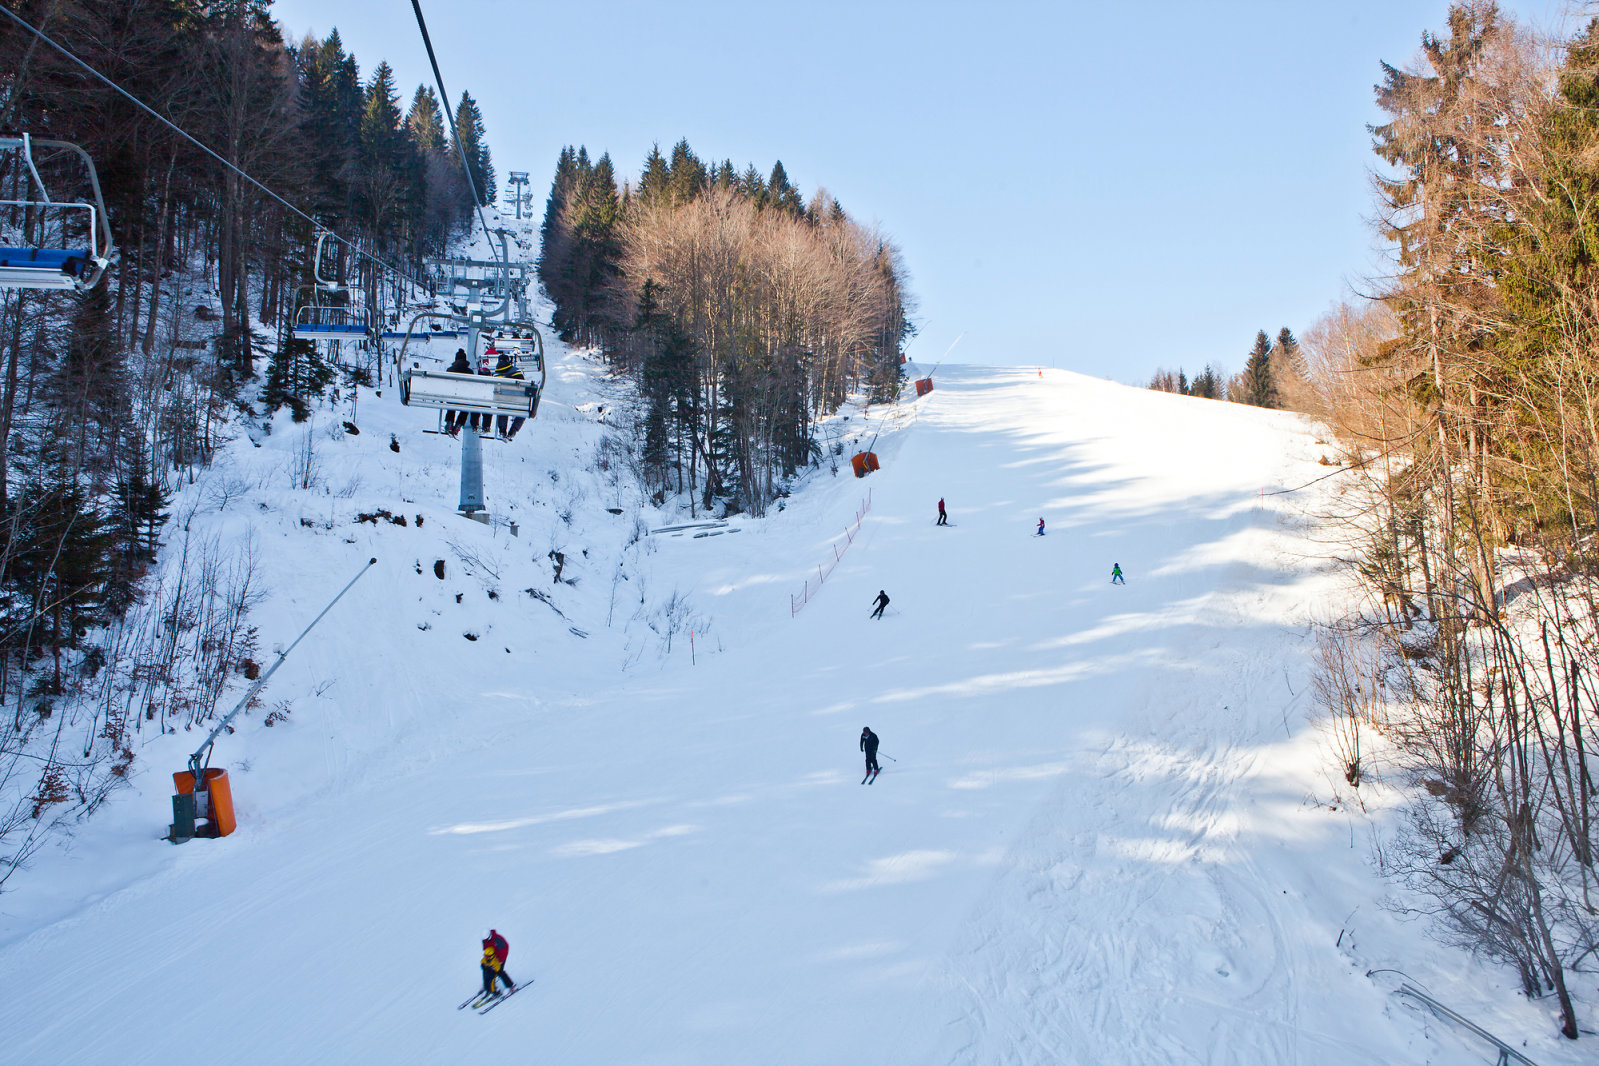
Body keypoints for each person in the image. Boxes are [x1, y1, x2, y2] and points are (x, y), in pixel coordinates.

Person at [493, 351, 527, 440]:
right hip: (517, 399)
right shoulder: (516, 371)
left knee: (502, 408)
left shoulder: (496, 374)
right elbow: (523, 384)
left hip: (502, 400)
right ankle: (513, 431)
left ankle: (502, 431)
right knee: (523, 411)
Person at [444, 349, 471, 437]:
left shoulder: (450, 370)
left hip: (452, 396)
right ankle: (459, 424)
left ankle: (449, 422)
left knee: (451, 403)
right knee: (466, 407)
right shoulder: (470, 372)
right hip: (464, 398)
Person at [481, 929, 515, 998]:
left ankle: (510, 986)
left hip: (500, 958)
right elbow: (485, 948)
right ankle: (486, 986)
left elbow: (504, 949)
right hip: (490, 957)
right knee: (486, 970)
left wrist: (500, 961)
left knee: (499, 972)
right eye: (484, 940)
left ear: (489, 936)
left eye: (486, 939)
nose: (485, 941)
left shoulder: (497, 939)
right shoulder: (484, 939)